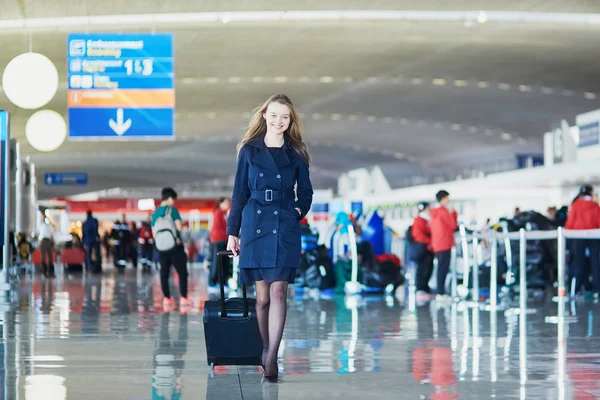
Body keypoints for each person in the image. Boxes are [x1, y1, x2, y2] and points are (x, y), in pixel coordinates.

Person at [226, 94, 313, 382]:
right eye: (274, 115)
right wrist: (232, 233)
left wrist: (297, 211)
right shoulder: (249, 151)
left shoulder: (296, 151)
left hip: (284, 225)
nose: (279, 121)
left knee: (279, 292)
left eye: (285, 117)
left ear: (291, 121)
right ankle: (264, 347)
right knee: (261, 298)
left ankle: (273, 356)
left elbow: (306, 192)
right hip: (254, 225)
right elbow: (239, 194)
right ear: (264, 116)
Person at [151, 187, 194, 312]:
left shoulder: (155, 213)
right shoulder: (172, 210)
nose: (174, 202)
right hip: (175, 246)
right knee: (182, 272)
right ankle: (183, 298)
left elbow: (154, 232)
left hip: (161, 247)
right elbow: (179, 227)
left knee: (164, 273)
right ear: (169, 198)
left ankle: (167, 298)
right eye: (173, 199)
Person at [565, 185, 600, 298]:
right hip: (594, 236)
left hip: (578, 236)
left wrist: (567, 232)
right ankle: (596, 289)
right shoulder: (595, 205)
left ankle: (576, 289)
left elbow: (570, 222)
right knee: (595, 263)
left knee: (578, 262)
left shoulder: (576, 205)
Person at [430, 190, 458, 301]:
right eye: (447, 198)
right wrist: (453, 212)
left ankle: (440, 292)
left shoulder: (434, 212)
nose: (449, 200)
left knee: (440, 268)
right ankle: (441, 293)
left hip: (437, 243)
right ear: (443, 198)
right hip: (445, 243)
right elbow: (453, 225)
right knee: (443, 268)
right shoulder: (443, 211)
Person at [411, 202, 434, 300]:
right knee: (422, 269)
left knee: (428, 268)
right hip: (422, 249)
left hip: (427, 249)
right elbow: (418, 235)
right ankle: (420, 289)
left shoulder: (427, 220)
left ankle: (425, 288)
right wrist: (429, 241)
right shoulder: (419, 220)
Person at [209, 197, 230, 287]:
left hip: (224, 240)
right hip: (218, 240)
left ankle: (222, 282)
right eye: (225, 203)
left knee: (224, 262)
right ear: (220, 203)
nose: (228, 204)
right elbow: (219, 227)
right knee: (217, 262)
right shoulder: (218, 213)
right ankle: (214, 282)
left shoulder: (224, 213)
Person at [37, 208, 55, 278]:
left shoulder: (47, 225)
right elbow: (41, 217)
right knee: (43, 257)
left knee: (50, 257)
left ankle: (50, 272)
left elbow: (52, 227)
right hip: (43, 240)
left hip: (48, 240)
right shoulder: (41, 224)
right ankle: (44, 272)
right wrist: (42, 213)